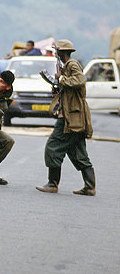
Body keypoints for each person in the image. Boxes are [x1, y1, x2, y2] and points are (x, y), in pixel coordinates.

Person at [36, 39, 95, 196]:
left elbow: (80, 80)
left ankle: (52, 183)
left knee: (53, 147)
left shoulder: (71, 64)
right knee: (78, 152)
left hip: (71, 117)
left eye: (57, 51)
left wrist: (61, 78)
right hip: (74, 115)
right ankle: (89, 186)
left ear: (62, 52)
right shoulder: (66, 66)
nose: (56, 53)